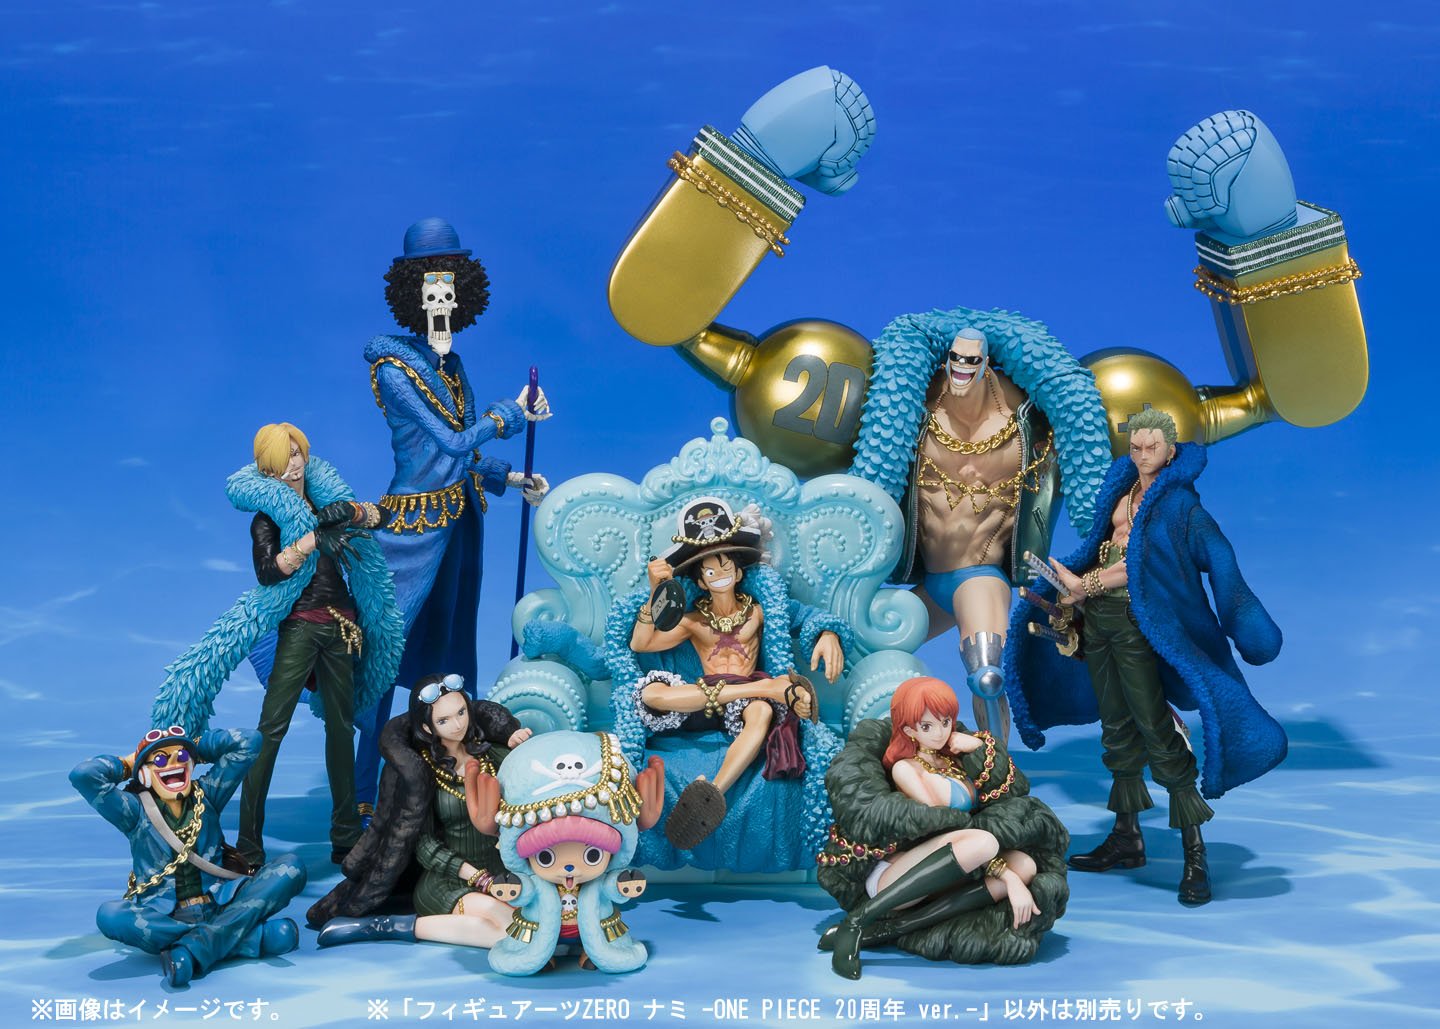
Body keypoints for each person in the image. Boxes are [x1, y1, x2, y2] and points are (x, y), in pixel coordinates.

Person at [1011, 406, 1285, 905]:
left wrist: (1247, 622)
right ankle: (1127, 837)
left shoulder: (1182, 509)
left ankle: (1194, 852)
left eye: (1151, 447)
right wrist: (1073, 591)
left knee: (1157, 730)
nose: (1141, 456)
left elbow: (1210, 562)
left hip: (1141, 627)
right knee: (1116, 728)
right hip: (1100, 624)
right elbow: (1105, 552)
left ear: (1170, 450)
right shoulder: (1122, 493)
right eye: (1135, 447)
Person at [354, 218, 551, 822]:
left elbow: (459, 459)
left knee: (450, 654)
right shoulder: (394, 370)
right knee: (383, 661)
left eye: (449, 290)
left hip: (460, 527)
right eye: (430, 290)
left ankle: (450, 775)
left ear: (462, 293)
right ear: (412, 295)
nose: (440, 301)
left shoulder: (451, 365)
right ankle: (361, 793)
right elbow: (451, 439)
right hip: (409, 534)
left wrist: (510, 479)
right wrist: (511, 414)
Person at [848, 308, 1111, 739]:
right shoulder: (915, 407)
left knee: (986, 674)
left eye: (971, 360)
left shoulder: (1027, 422)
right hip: (929, 581)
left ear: (986, 363)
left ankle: (997, 765)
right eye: (956, 358)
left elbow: (1086, 451)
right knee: (859, 653)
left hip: (980, 576)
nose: (961, 367)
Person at [150, 423, 403, 869]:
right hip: (300, 626)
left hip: (343, 626)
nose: (292, 466)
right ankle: (249, 843)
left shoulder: (326, 501)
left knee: (341, 730)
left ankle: (346, 837)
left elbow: (382, 517)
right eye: (279, 462)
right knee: (270, 732)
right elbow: (267, 573)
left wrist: (351, 511)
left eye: (295, 454)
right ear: (267, 471)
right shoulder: (268, 519)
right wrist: (310, 540)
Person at [625, 497, 847, 849]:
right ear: (701, 580)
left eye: (725, 567)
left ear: (739, 572)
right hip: (705, 698)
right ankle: (773, 689)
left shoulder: (759, 611)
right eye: (710, 572)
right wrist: (656, 593)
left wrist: (828, 633)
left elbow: (806, 616)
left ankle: (710, 795)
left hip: (744, 700)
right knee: (650, 694)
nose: (720, 575)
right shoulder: (694, 621)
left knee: (761, 712)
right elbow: (641, 643)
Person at [817, 677, 1067, 980]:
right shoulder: (906, 769)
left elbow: (1007, 792)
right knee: (987, 843)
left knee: (1025, 864)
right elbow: (939, 829)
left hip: (957, 864)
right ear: (909, 730)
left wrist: (976, 746)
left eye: (945, 722)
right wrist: (1007, 878)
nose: (939, 733)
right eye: (927, 726)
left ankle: (891, 930)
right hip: (897, 878)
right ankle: (857, 922)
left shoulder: (953, 763)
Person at [70, 725, 306, 987]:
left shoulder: (208, 795)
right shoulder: (134, 812)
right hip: (166, 917)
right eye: (160, 760)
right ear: (145, 773)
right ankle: (246, 939)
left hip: (223, 902)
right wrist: (129, 763)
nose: (173, 764)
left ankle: (194, 949)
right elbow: (84, 775)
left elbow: (249, 741)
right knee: (110, 915)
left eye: (180, 757)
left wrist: (193, 746)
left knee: (291, 867)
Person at [309, 674, 531, 949]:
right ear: (427, 727)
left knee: (522, 927)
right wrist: (478, 878)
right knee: (516, 931)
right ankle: (385, 927)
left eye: (461, 712)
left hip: (503, 877)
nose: (458, 724)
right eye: (444, 720)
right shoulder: (422, 774)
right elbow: (424, 846)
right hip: (448, 880)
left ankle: (391, 926)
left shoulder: (492, 756)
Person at [463, 730, 665, 975]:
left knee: (601, 937)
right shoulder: (536, 881)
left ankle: (591, 950)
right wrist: (513, 889)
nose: (570, 867)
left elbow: (611, 889)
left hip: (596, 929)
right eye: (546, 857)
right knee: (535, 939)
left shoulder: (598, 881)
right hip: (541, 930)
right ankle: (544, 954)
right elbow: (525, 893)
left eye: (592, 855)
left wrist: (623, 885)